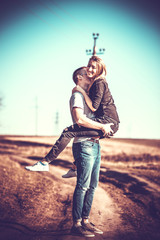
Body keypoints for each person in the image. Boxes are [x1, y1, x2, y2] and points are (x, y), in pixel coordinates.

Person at [25, 56, 119, 172]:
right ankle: (75, 167)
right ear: (79, 77)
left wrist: (80, 90)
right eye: (88, 66)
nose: (89, 69)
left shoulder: (99, 82)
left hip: (107, 121)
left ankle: (45, 163)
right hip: (108, 121)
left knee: (68, 132)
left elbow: (93, 107)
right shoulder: (96, 84)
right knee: (79, 134)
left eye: (93, 67)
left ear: (99, 68)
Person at [70, 67, 104, 236]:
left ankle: (86, 221)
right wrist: (102, 127)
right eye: (88, 73)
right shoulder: (76, 95)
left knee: (92, 186)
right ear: (79, 77)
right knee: (82, 186)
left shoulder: (88, 97)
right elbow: (79, 119)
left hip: (95, 145)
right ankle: (76, 225)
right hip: (83, 145)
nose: (91, 76)